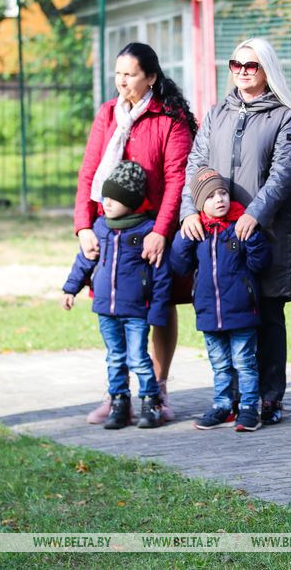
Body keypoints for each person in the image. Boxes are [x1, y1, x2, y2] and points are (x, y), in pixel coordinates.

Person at [180, 37, 291, 426]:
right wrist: (189, 212)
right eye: (237, 64)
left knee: (266, 314)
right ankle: (227, 399)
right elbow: (194, 167)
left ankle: (266, 399)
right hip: (218, 241)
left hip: (261, 234)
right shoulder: (216, 114)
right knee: (226, 318)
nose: (243, 71)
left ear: (267, 69)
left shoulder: (285, 116)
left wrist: (256, 214)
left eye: (252, 65)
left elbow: (282, 175)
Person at [74, 42, 195, 425]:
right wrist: (82, 226)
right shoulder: (108, 113)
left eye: (130, 75)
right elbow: (89, 172)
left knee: (160, 308)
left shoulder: (171, 118)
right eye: (118, 74)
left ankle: (155, 392)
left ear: (151, 78)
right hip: (108, 231)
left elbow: (178, 179)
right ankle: (119, 395)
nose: (121, 81)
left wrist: (161, 231)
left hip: (154, 230)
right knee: (114, 309)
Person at [63, 161, 172, 430]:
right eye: (106, 196)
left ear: (132, 201)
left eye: (116, 198)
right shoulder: (100, 228)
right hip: (106, 309)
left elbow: (161, 276)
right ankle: (119, 403)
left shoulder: (146, 232)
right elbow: (85, 260)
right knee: (114, 358)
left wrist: (157, 311)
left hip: (136, 310)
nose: (107, 202)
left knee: (138, 358)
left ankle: (150, 402)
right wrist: (70, 288)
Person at [171, 167, 271, 432]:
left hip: (241, 310)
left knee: (244, 362)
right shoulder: (197, 232)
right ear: (200, 204)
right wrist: (183, 234)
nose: (219, 199)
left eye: (223, 193)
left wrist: (253, 237)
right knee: (220, 364)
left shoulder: (240, 227)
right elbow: (179, 265)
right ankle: (223, 405)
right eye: (212, 196)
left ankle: (249, 407)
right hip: (208, 312)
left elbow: (259, 263)